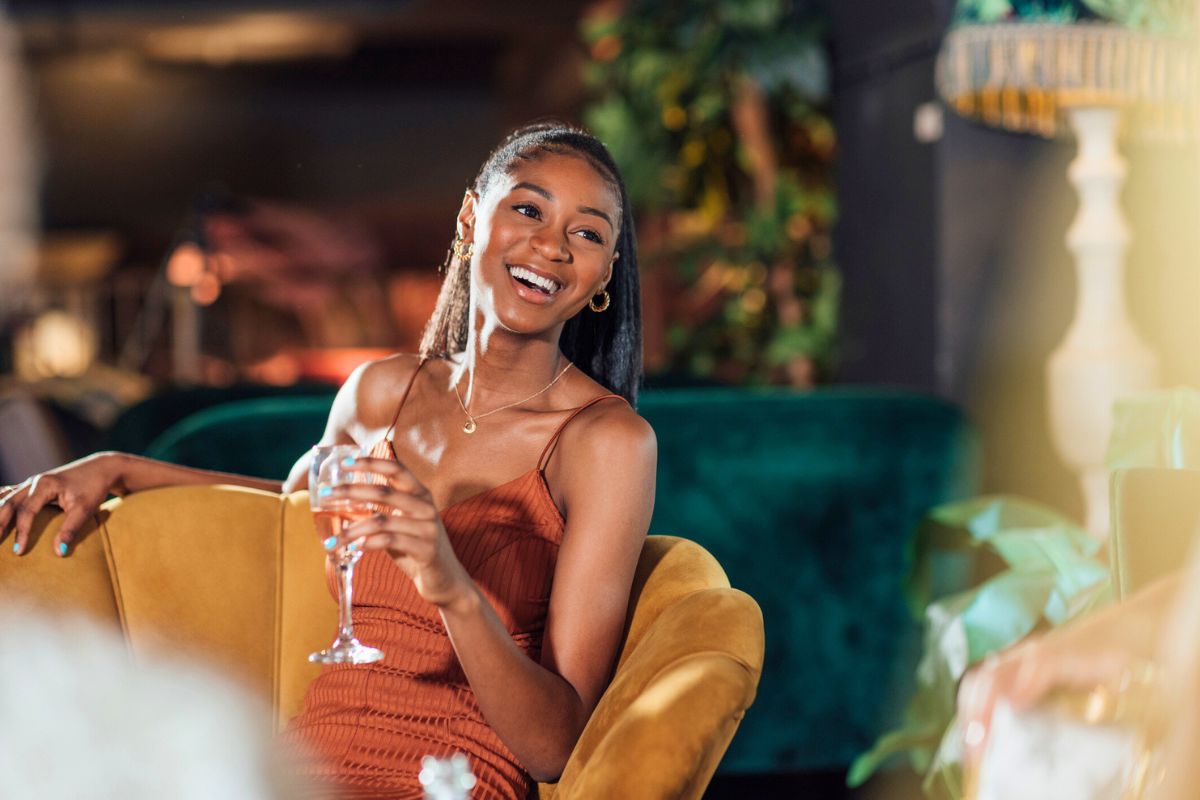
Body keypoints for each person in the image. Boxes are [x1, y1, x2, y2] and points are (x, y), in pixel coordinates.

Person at [0, 121, 658, 800]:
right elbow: (290, 511)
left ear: (605, 271)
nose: (550, 245)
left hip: (449, 780)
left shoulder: (607, 442)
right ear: (470, 217)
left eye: (587, 233)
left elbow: (553, 748)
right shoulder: (381, 393)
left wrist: (449, 581)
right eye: (528, 209)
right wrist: (120, 468)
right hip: (303, 770)